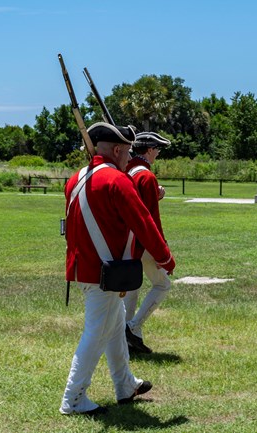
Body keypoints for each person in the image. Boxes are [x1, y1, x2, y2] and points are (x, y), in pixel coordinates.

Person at [60, 122, 175, 415]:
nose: (129, 158)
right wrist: (164, 257)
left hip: (85, 266)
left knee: (112, 327)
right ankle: (73, 399)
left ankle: (125, 386)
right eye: (126, 152)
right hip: (104, 270)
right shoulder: (117, 180)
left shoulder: (75, 179)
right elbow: (143, 223)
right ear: (116, 149)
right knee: (96, 332)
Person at [123, 131, 172, 354]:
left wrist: (156, 194)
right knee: (162, 284)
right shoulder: (146, 176)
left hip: (126, 241)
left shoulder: (128, 170)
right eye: (157, 150)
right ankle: (132, 328)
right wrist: (162, 251)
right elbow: (150, 218)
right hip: (142, 242)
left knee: (131, 289)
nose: (158, 154)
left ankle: (127, 339)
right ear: (150, 150)